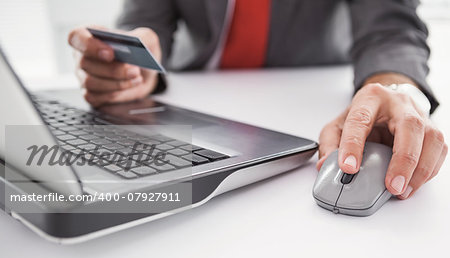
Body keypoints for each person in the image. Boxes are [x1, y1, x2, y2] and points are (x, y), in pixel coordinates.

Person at [68, 0, 447, 200]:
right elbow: (148, 23)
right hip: (197, 97)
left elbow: (391, 29)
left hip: (307, 92)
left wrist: (396, 87)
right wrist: (135, 66)